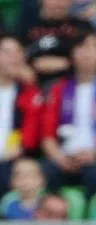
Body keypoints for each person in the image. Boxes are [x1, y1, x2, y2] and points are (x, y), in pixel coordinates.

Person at [41, 28, 96, 196]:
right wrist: (60, 158)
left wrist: (95, 155)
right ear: (72, 54)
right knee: (46, 172)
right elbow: (47, 136)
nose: (87, 53)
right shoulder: (59, 89)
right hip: (64, 156)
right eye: (81, 47)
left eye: (93, 47)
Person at [0, 34, 43, 197]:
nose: (13, 58)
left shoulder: (29, 92)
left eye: (17, 53)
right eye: (7, 53)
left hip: (13, 157)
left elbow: (29, 137)